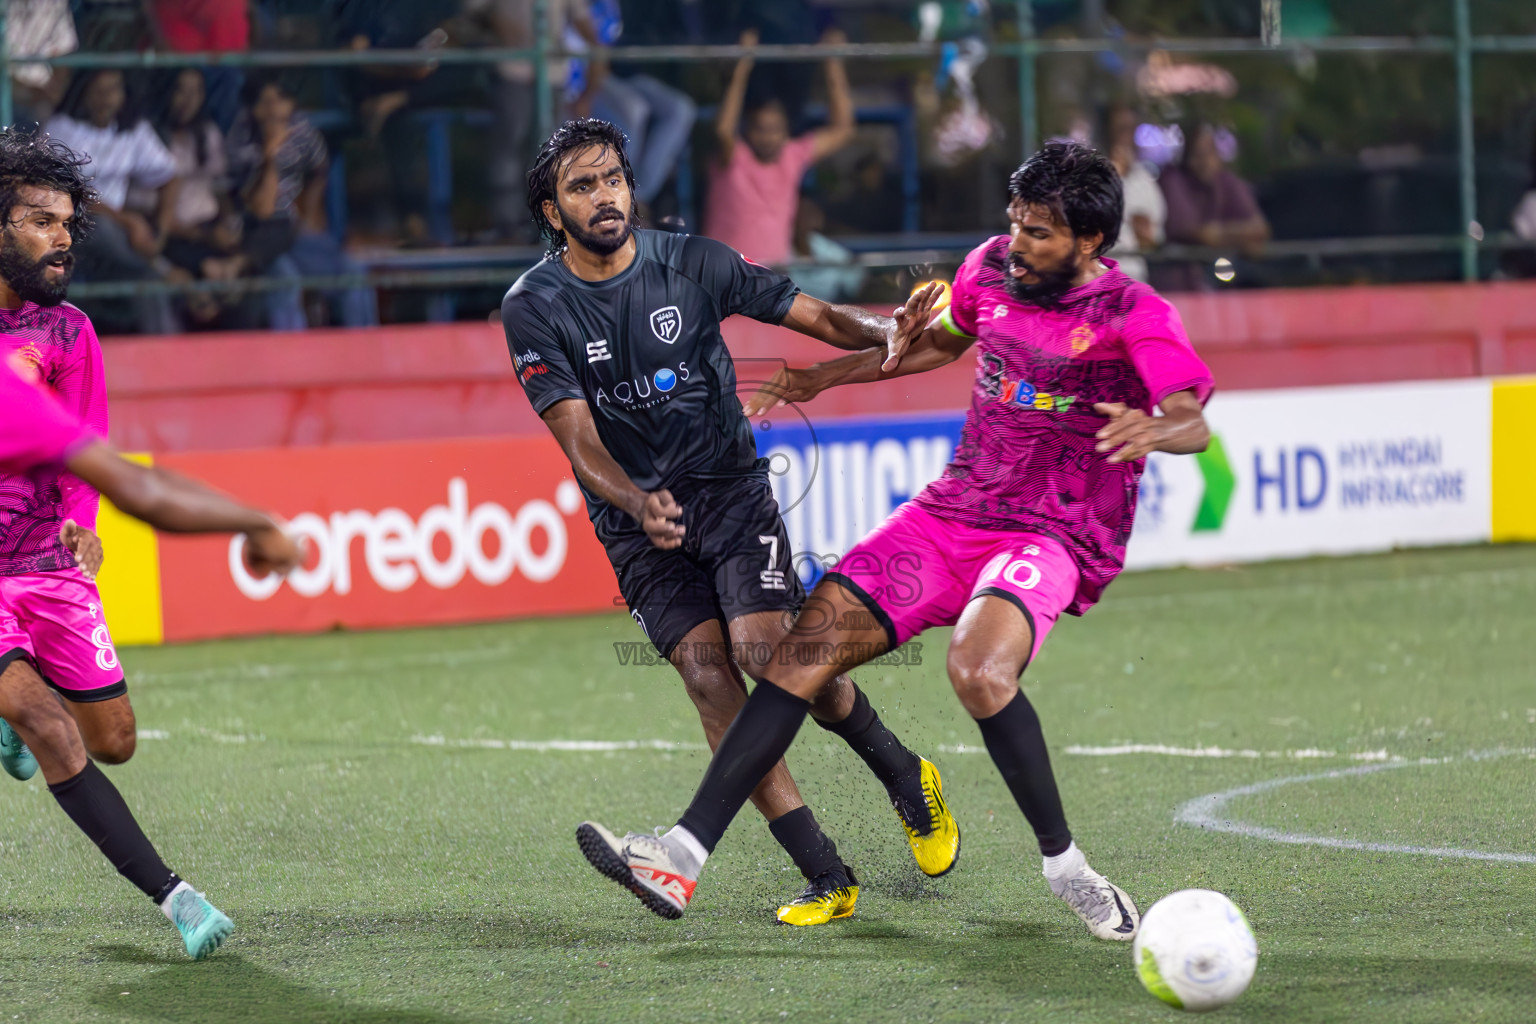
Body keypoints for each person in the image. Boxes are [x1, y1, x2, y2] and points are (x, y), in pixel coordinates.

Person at [577, 142, 1216, 940]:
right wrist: (826, 375)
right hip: (953, 512)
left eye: (1041, 233)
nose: (1018, 243)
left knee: (977, 671)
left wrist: (1158, 427)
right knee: (798, 654)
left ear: (1089, 243)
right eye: (1015, 224)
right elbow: (935, 343)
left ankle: (1069, 871)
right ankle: (681, 852)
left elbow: (1192, 418)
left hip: (1053, 529)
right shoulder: (989, 269)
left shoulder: (1135, 315)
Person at [502, 119, 959, 926]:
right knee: (710, 679)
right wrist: (636, 502)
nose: (604, 197)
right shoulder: (535, 307)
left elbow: (816, 317)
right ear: (552, 210)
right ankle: (827, 876)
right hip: (633, 520)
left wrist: (893, 330)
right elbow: (576, 436)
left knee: (766, 653)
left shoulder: (695, 262)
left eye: (612, 179)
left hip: (728, 490)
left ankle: (903, 774)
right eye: (582, 187)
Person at [0, 128, 301, 958]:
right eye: (38, 220)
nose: (61, 237)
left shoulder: (62, 338)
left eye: (68, 222)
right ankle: (177, 898)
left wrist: (78, 532)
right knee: (43, 723)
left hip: (45, 563)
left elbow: (95, 455)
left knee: (114, 742)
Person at [226, 75, 377, 329]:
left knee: (353, 271)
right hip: (258, 238)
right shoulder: (241, 139)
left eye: (281, 100)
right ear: (254, 109)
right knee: (288, 282)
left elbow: (319, 169)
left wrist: (308, 214)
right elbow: (262, 210)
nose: (275, 109)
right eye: (267, 102)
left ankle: (367, 357)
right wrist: (270, 156)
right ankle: (291, 363)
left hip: (292, 232)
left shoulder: (302, 131)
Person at [703, 27, 856, 265]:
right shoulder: (734, 157)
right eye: (760, 129)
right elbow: (724, 128)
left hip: (774, 280)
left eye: (774, 129)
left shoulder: (792, 156)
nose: (767, 136)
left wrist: (833, 61)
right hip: (724, 276)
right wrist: (744, 62)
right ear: (747, 131)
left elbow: (843, 130)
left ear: (786, 133)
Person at [46, 69, 182, 334]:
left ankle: (168, 362)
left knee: (148, 284)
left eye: (113, 90)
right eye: (99, 91)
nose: (106, 99)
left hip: (118, 244)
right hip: (67, 233)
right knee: (102, 226)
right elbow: (66, 195)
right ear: (83, 94)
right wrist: (128, 221)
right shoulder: (61, 128)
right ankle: (161, 266)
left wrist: (160, 232)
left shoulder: (132, 130)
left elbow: (170, 177)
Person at [1157, 122, 1270, 291]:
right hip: (1182, 285)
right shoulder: (1173, 181)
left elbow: (1260, 230)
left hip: (1227, 281)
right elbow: (1199, 233)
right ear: (1185, 157)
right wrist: (1241, 238)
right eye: (1197, 154)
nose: (1204, 161)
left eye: (1209, 152)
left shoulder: (1227, 181)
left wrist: (1222, 233)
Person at [1105, 106, 1164, 283]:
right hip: (1099, 279)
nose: (1124, 136)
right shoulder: (1090, 177)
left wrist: (1145, 234)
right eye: (1120, 129)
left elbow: (1154, 239)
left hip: (1135, 277)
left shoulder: (1145, 180)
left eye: (1130, 129)